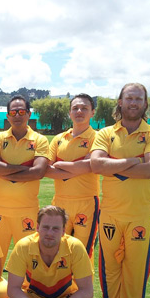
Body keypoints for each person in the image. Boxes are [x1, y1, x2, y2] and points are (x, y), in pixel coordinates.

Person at [90, 83, 150, 298]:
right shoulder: (105, 133)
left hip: (141, 215)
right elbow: (96, 164)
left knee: (135, 271)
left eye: (138, 98)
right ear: (120, 102)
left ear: (145, 104)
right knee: (109, 269)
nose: (133, 102)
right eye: (129, 98)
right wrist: (134, 160)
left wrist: (114, 166)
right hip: (110, 214)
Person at [0, 95, 48, 261]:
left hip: (27, 210)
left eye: (21, 111)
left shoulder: (40, 140)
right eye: (13, 112)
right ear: (8, 116)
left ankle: (28, 288)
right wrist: (24, 168)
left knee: (29, 260)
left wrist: (3, 170)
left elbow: (38, 172)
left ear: (29, 114)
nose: (17, 115)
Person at [45, 94, 99, 259]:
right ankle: (62, 286)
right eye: (75, 108)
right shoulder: (59, 139)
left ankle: (84, 286)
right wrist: (79, 167)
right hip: (60, 202)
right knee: (57, 250)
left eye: (84, 108)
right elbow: (46, 169)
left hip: (87, 203)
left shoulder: (98, 138)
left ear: (93, 113)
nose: (79, 111)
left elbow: (92, 165)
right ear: (69, 113)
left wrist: (60, 165)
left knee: (83, 253)